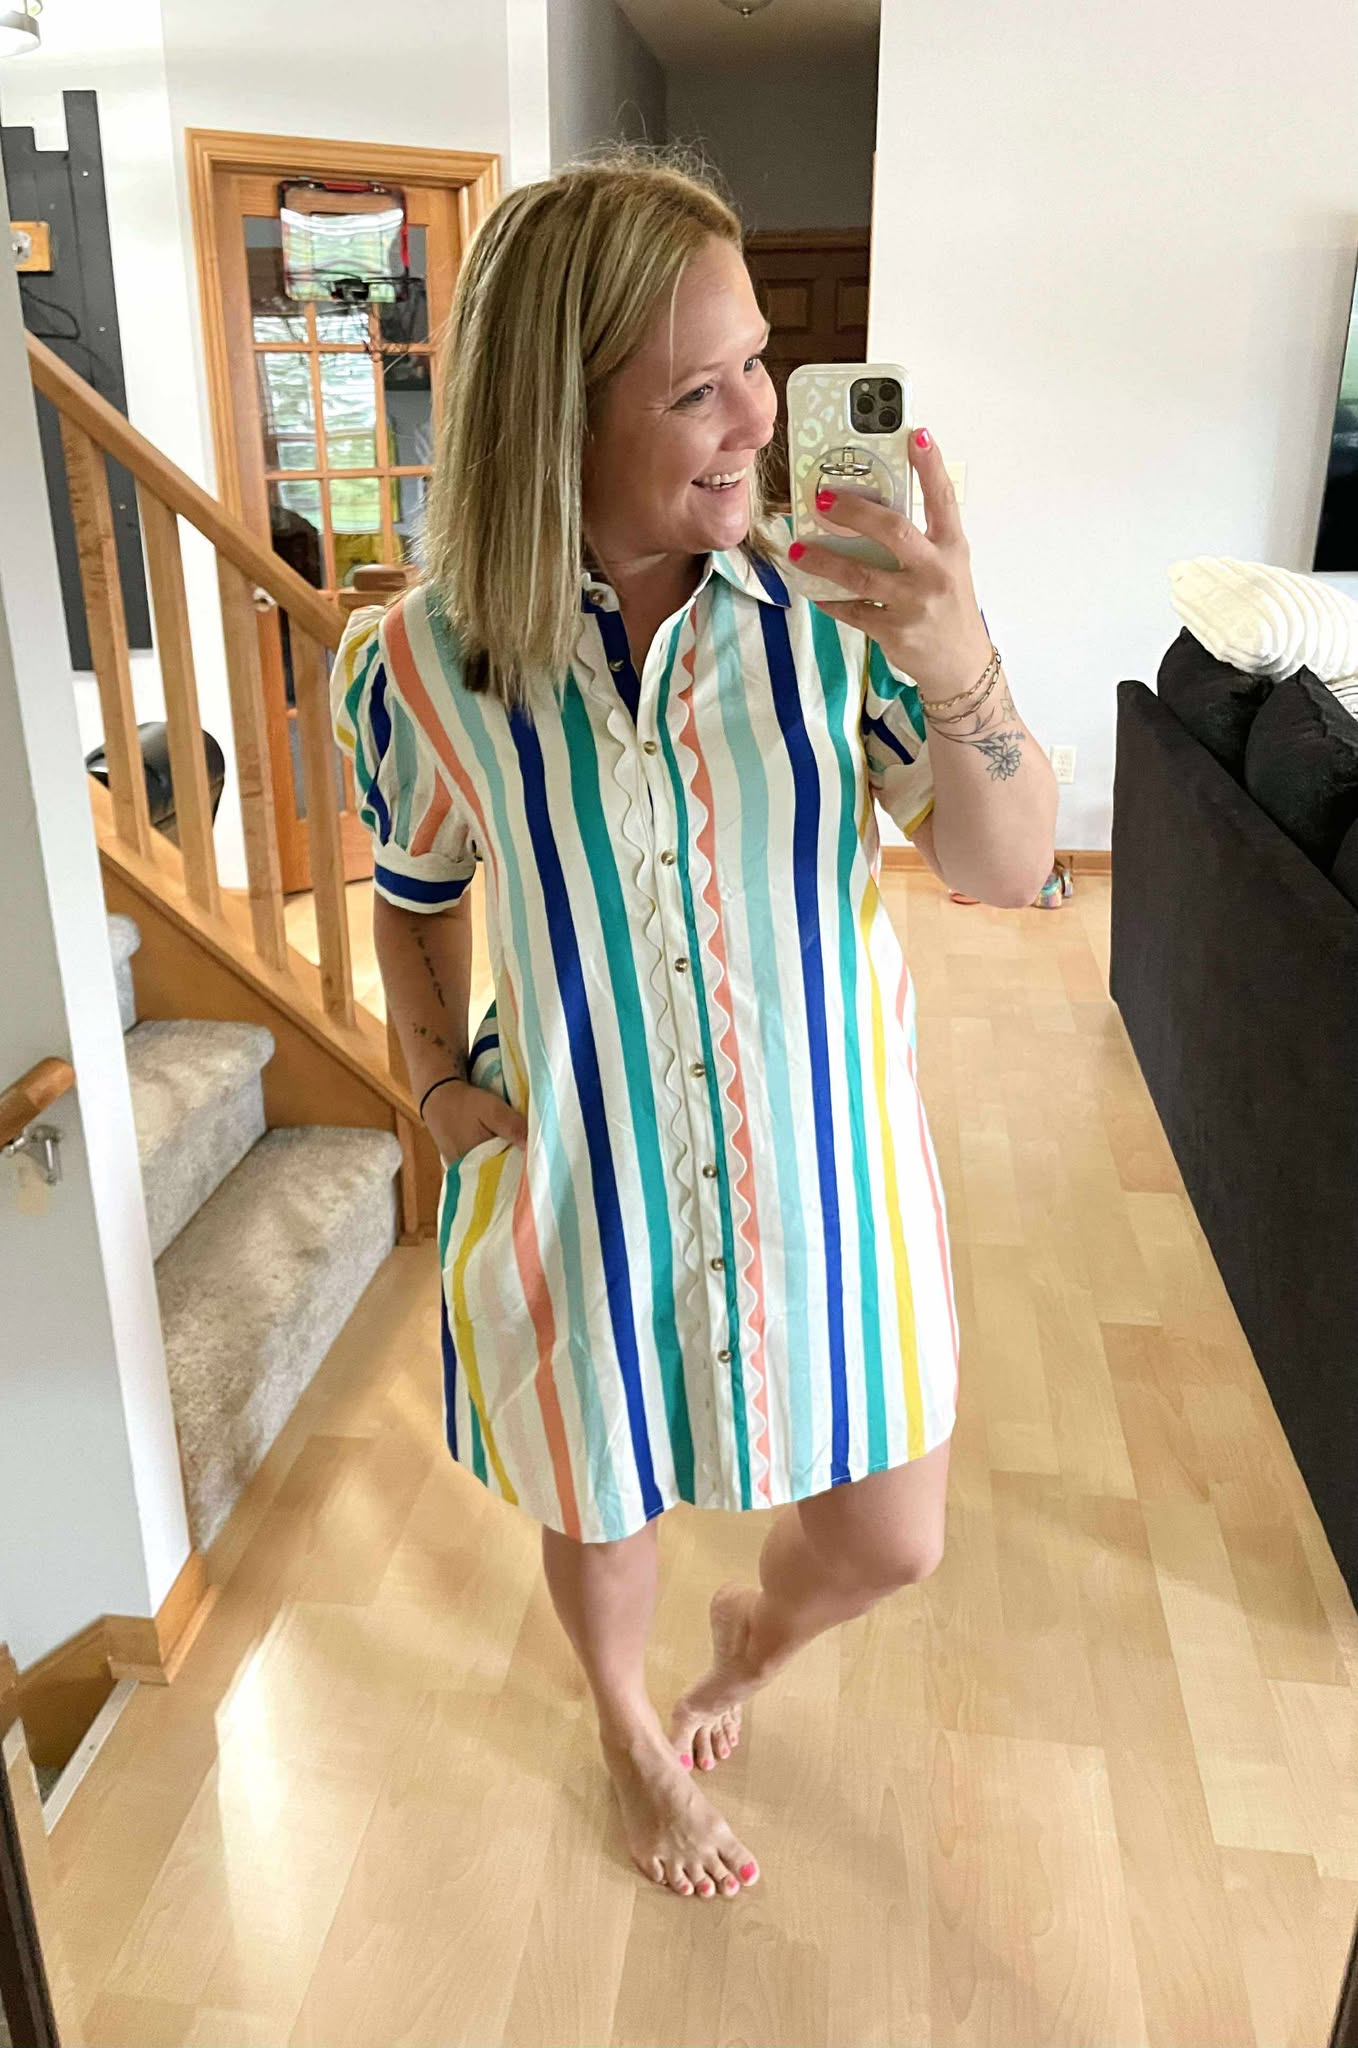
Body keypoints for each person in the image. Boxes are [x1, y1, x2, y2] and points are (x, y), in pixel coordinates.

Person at [330, 149, 1057, 1905]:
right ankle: (626, 1735)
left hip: (827, 1170)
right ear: (555, 418)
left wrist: (957, 653)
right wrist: (433, 1088)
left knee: (890, 1536)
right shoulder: (423, 664)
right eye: (697, 389)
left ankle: (752, 1645)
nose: (758, 419)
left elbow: (1005, 867)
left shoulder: (839, 611)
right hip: (582, 1182)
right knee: (602, 1507)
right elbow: (412, 897)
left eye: (758, 367)